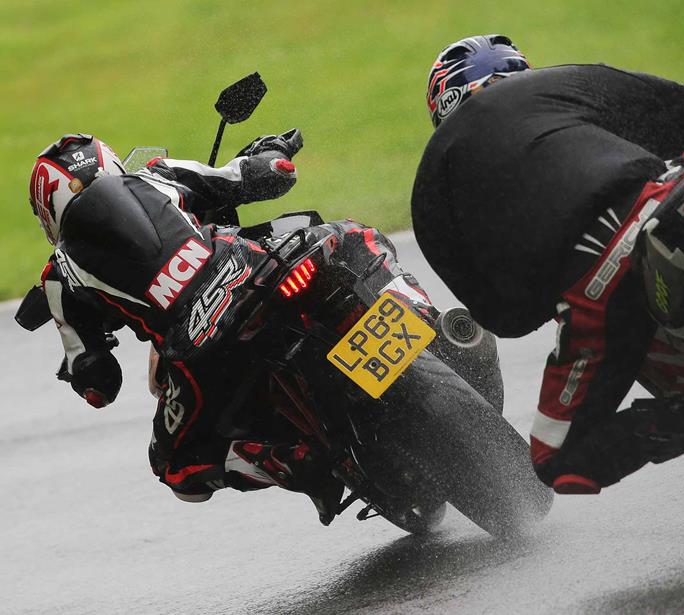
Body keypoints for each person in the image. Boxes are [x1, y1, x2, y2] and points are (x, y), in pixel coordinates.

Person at [412, 35, 684, 493]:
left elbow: (505, 319)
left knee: (557, 460)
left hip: (596, 288)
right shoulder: (553, 86)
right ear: (518, 72)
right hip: (671, 194)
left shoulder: (428, 190)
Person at [29, 132, 415, 522]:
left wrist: (79, 367)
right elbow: (270, 173)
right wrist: (272, 147)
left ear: (49, 207)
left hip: (199, 351)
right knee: (352, 236)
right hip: (255, 272)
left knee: (173, 468)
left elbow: (100, 386)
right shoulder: (157, 174)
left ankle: (293, 460)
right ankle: (419, 313)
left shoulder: (59, 275)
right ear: (109, 161)